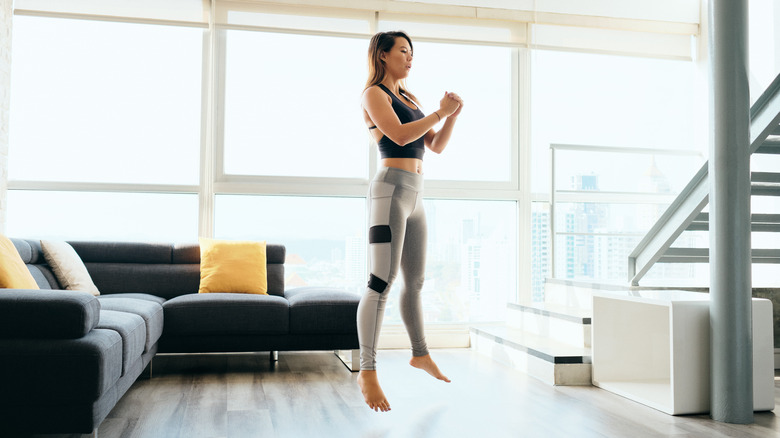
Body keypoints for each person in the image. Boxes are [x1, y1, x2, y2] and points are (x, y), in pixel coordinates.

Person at [357, 30, 463, 413]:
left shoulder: (409, 98)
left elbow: (433, 145)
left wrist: (451, 117)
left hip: (416, 195)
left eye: (412, 52)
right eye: (403, 51)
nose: (410, 57)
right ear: (383, 55)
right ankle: (367, 370)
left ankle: (420, 354)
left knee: (415, 282)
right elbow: (399, 135)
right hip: (390, 191)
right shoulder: (375, 94)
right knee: (380, 282)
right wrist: (439, 112)